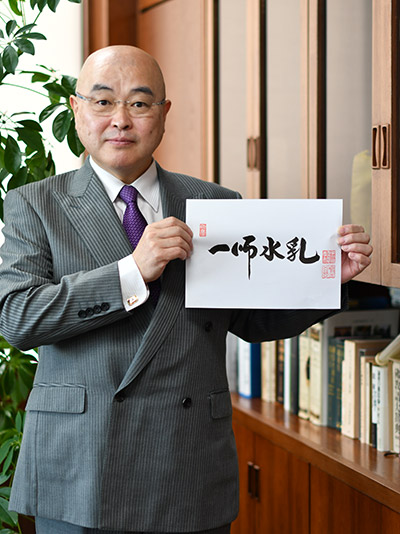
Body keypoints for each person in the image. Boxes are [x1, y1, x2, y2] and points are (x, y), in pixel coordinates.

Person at [0, 46, 372, 534]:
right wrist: (132, 272)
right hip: (80, 465)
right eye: (103, 101)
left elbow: (251, 321)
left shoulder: (215, 203)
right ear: (76, 109)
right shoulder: (35, 204)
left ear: (163, 113)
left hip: (187, 463)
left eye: (139, 103)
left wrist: (327, 279)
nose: (120, 120)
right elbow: (19, 317)